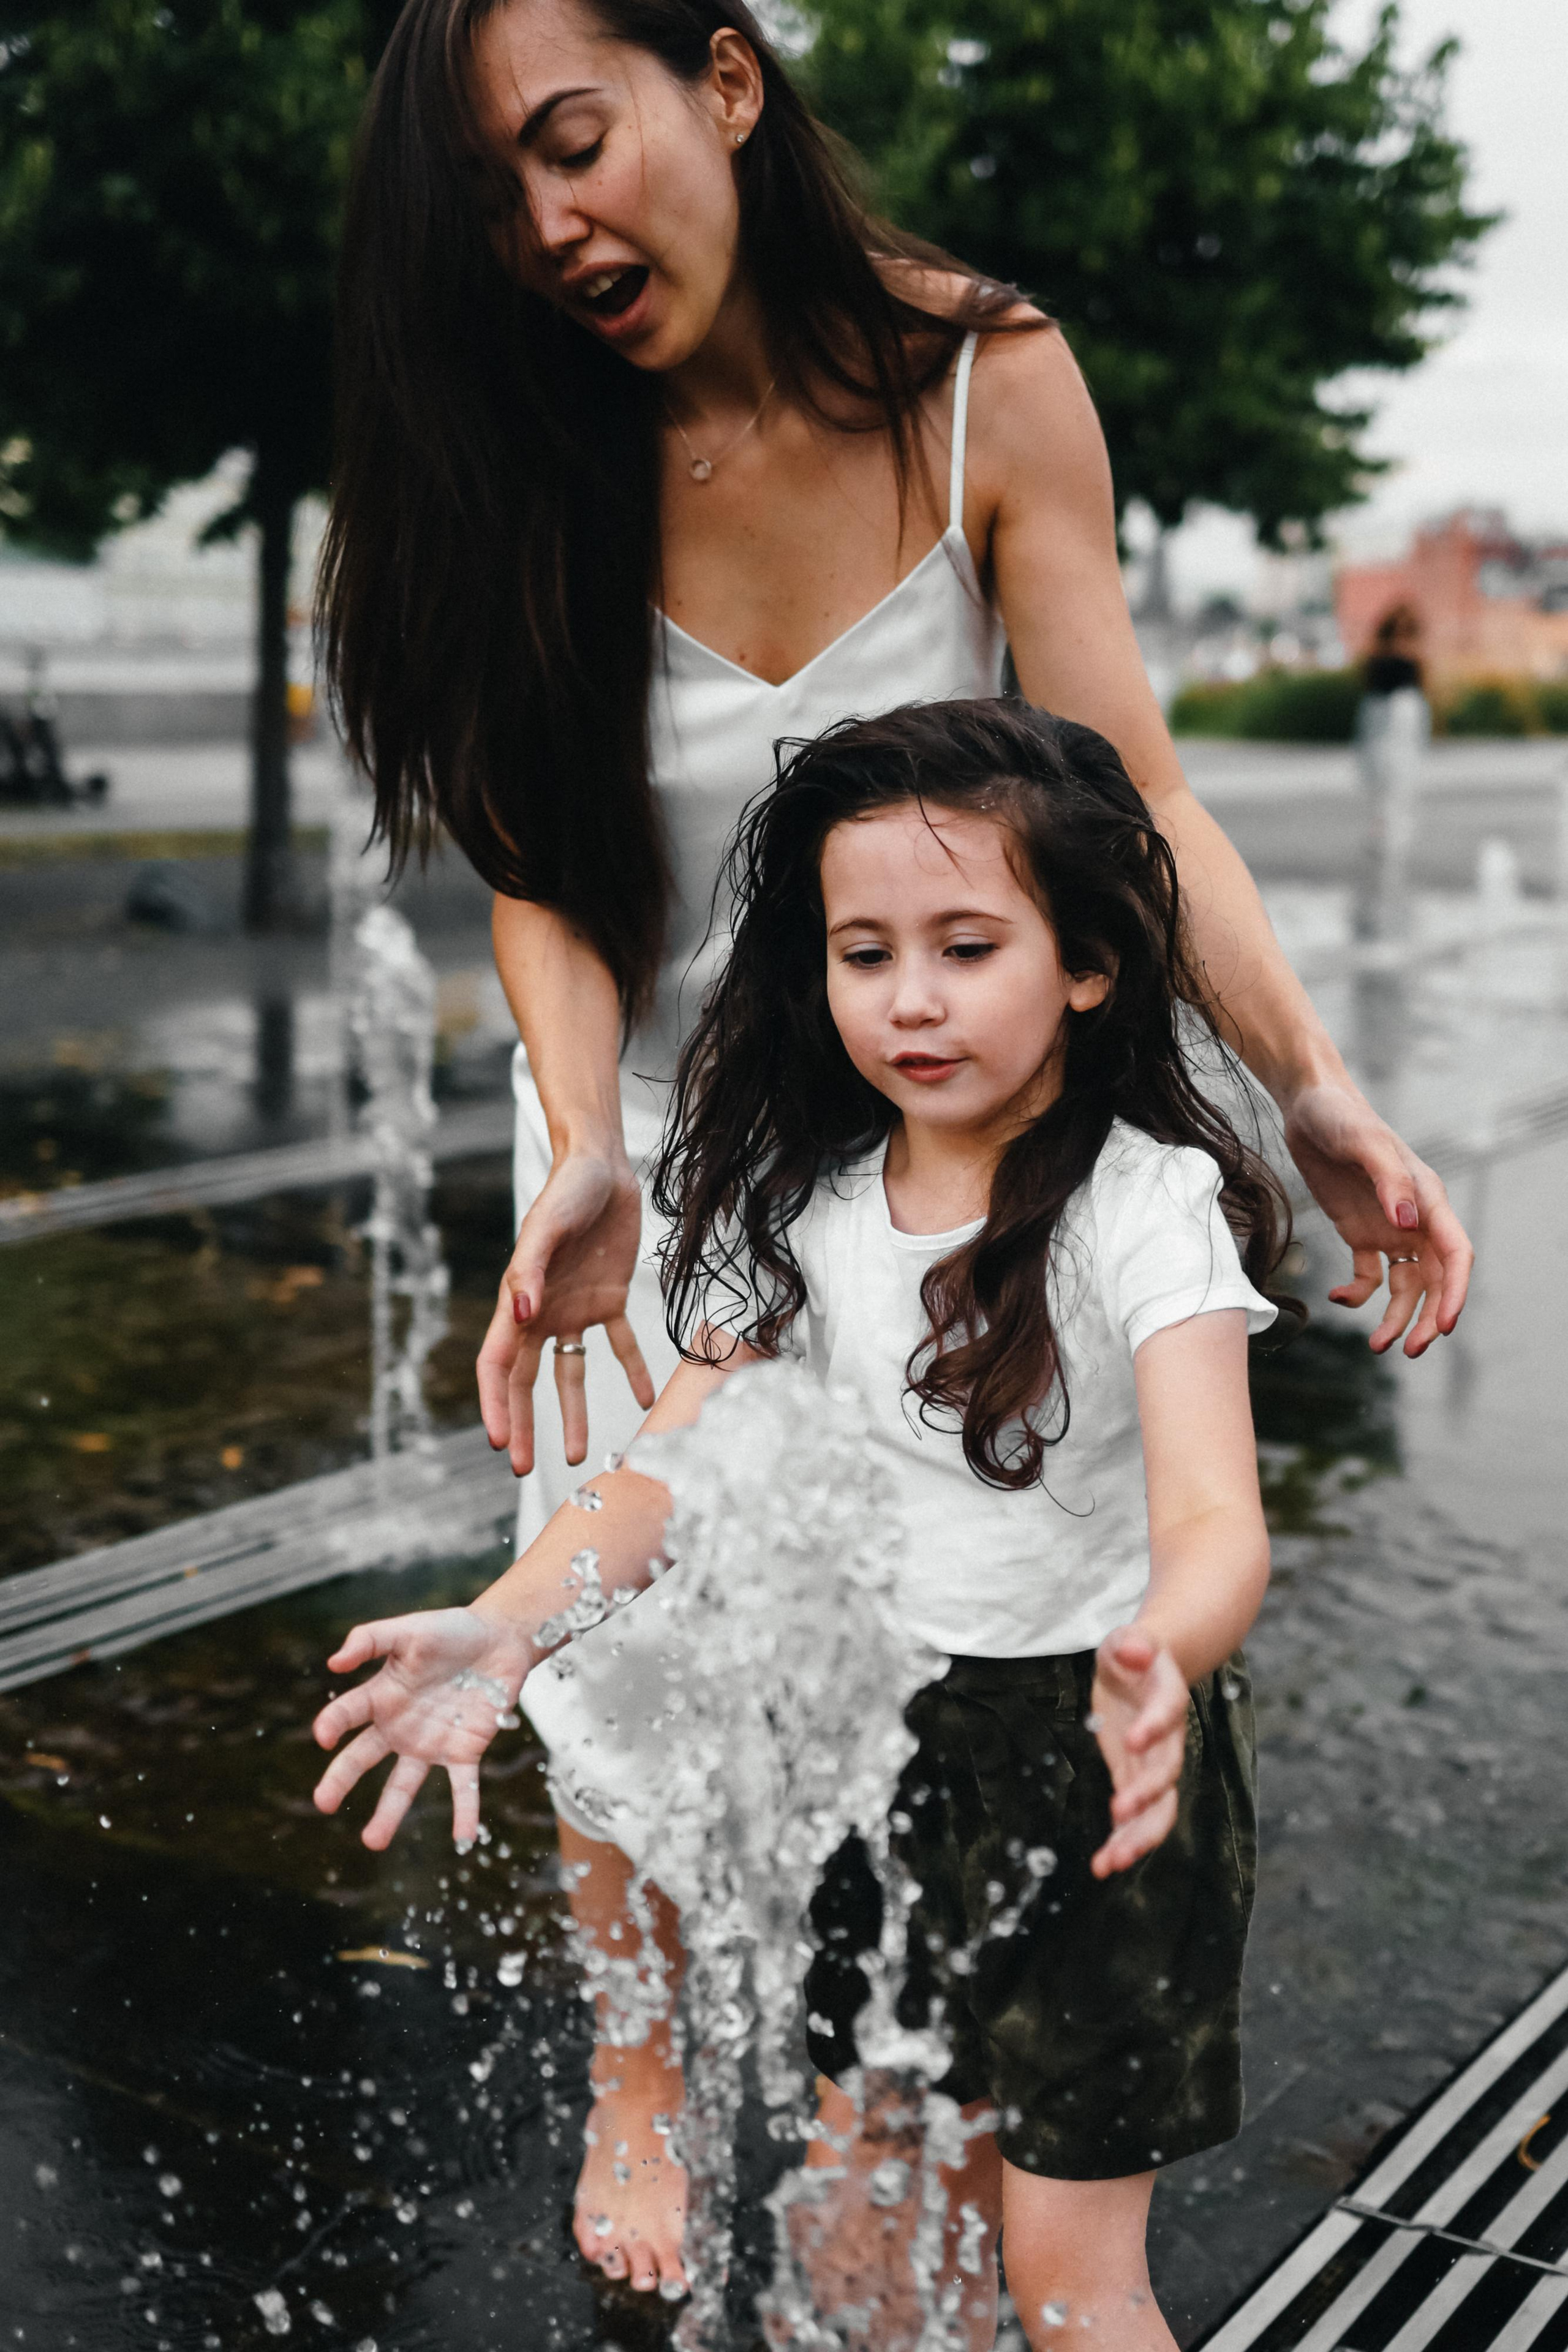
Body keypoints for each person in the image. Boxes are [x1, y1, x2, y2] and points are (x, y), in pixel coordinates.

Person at [317, 0, 1471, 2293]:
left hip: (958, 1153)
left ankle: (925, 2087)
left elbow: (1127, 778)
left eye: (579, 140)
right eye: (495, 199)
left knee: (976, 1631)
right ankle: (648, 2070)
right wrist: (576, 1142)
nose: (549, 226)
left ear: (724, 84)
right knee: (617, 1648)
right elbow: (537, 857)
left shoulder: (980, 385)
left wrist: (1312, 1081)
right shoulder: (522, 447)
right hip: (658, 1147)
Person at [315, 700, 1295, 2346]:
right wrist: (509, 1623)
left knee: (1070, 2290)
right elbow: (667, 1475)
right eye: (864, 952)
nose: (910, 998)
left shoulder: (1146, 1210)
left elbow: (1217, 1520)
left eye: (967, 945)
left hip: (1097, 1762)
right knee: (858, 2227)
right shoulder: (807, 1207)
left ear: (1091, 966)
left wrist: (1163, 1653)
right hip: (877, 1753)